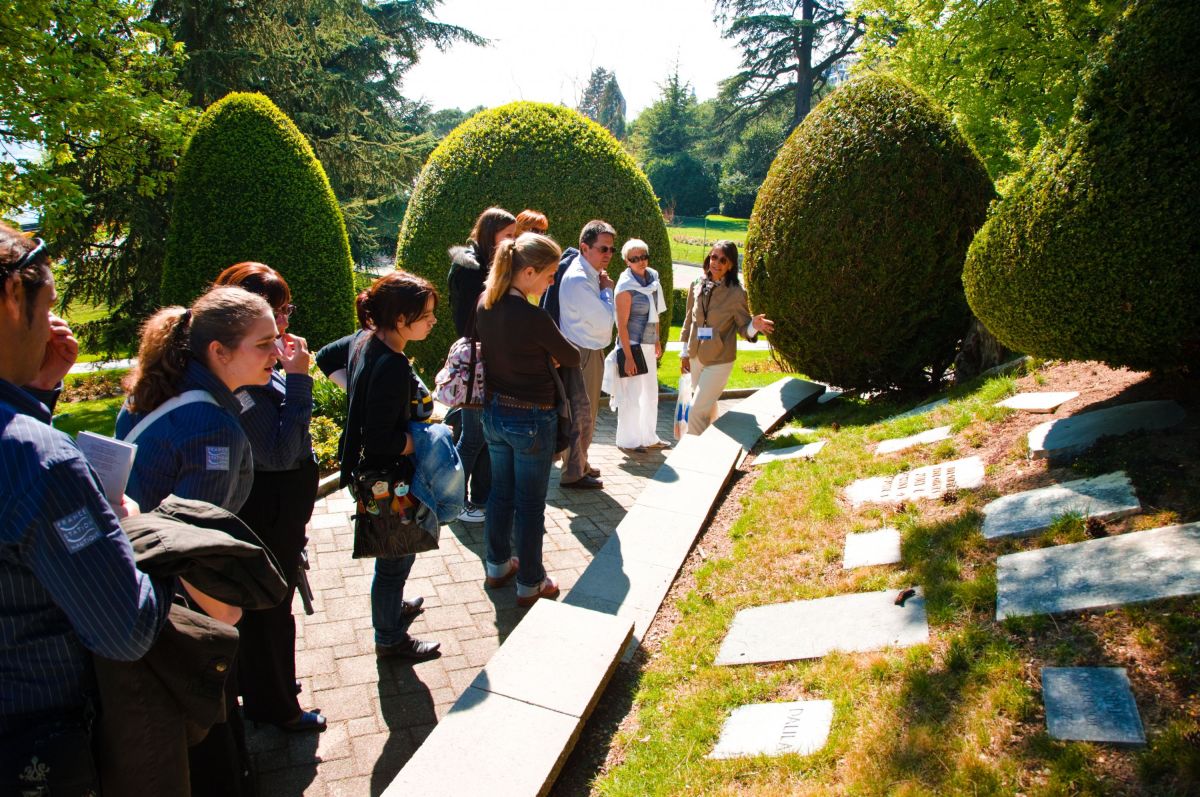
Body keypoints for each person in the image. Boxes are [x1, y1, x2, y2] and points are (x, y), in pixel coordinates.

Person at [0, 225, 172, 796]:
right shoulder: (39, 460)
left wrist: (40, 389)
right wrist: (124, 530)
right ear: (10, 298)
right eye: (48, 304)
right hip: (35, 740)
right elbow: (125, 628)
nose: (53, 324)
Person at [116, 284, 281, 795]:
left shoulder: (156, 389)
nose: (277, 353)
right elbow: (193, 543)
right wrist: (222, 619)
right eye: (264, 343)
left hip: (128, 589)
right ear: (219, 352)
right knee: (210, 756)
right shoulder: (212, 427)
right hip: (172, 614)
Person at [315, 272, 453, 660]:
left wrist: (356, 397)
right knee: (393, 561)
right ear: (399, 319)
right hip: (388, 480)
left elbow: (326, 356)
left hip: (378, 477)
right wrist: (421, 440)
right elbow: (381, 440)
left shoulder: (365, 339)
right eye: (425, 315)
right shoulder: (390, 363)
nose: (433, 321)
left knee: (399, 553)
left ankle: (393, 610)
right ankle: (390, 639)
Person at [212, 262, 325, 734]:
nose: (284, 323)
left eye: (284, 310)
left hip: (278, 518)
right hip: (264, 518)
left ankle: (271, 688)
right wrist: (299, 379)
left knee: (270, 613)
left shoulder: (263, 365)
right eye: (275, 312)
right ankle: (276, 705)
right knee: (269, 614)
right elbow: (279, 453)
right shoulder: (241, 384)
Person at [475, 233, 580, 606]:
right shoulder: (533, 317)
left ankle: (498, 565)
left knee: (500, 494)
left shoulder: (485, 304)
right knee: (531, 504)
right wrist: (544, 356)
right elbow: (571, 356)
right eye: (550, 274)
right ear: (530, 271)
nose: (552, 282)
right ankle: (531, 582)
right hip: (532, 417)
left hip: (494, 413)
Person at [448, 207, 516, 523]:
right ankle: (454, 500)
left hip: (488, 361)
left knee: (485, 437)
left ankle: (480, 499)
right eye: (509, 236)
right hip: (477, 364)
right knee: (473, 437)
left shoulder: (488, 265)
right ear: (491, 235)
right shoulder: (469, 269)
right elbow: (468, 321)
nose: (513, 242)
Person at [679, 241, 775, 435]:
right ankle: (712, 439)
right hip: (696, 354)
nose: (716, 263)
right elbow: (689, 319)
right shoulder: (696, 284)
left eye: (723, 260)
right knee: (706, 404)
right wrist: (684, 353)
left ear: (730, 265)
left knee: (697, 409)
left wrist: (753, 327)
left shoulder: (736, 293)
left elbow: (742, 326)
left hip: (720, 360)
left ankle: (690, 452)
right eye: (714, 257)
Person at [555, 219, 617, 489]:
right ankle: (573, 472)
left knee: (586, 413)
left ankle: (581, 463)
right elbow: (605, 321)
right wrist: (608, 292)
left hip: (588, 349)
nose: (608, 255)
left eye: (611, 250)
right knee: (581, 414)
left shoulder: (589, 273)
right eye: (603, 249)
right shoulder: (581, 279)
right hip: (583, 352)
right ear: (584, 247)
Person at [610, 238, 669, 452]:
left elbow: (656, 313)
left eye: (644, 256)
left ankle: (649, 437)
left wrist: (657, 339)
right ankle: (629, 441)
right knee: (631, 396)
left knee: (651, 395)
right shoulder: (625, 288)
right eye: (635, 259)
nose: (641, 261)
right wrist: (628, 357)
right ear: (627, 261)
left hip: (648, 344)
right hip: (632, 345)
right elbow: (622, 326)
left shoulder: (653, 279)